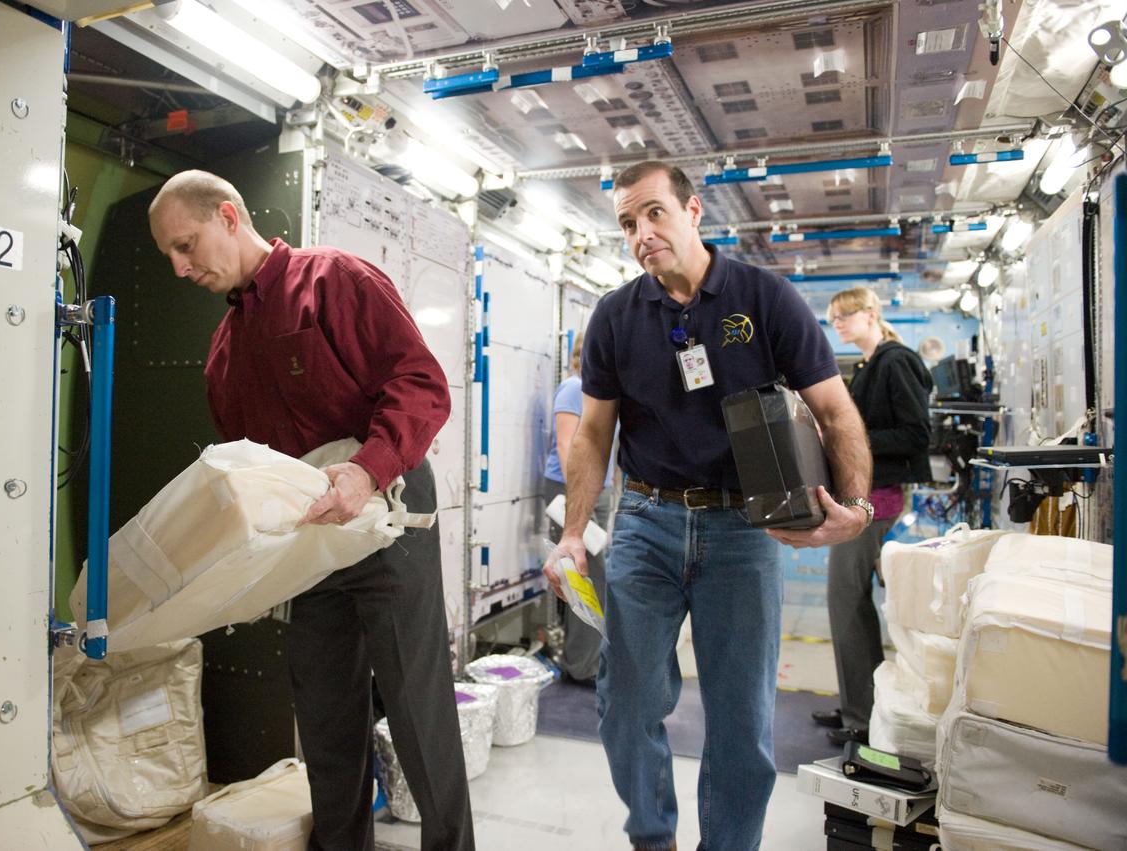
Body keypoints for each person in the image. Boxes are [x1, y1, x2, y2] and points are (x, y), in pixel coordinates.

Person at [542, 160, 872, 851]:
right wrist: (575, 533)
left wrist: (855, 505)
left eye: (654, 212)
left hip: (745, 531)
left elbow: (835, 411)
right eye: (628, 223)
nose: (641, 233)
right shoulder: (615, 316)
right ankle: (653, 837)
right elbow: (594, 432)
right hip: (644, 522)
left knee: (742, 719)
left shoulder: (764, 298)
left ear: (695, 212)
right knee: (625, 700)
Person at [148, 170, 474, 851]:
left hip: (386, 512)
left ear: (230, 217)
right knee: (326, 714)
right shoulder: (222, 356)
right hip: (309, 540)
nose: (180, 267)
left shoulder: (335, 281)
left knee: (417, 706)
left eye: (187, 244)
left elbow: (421, 383)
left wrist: (366, 468)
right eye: (169, 256)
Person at [812, 286, 932, 746]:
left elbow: (915, 433)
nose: (838, 324)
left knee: (846, 602)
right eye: (834, 318)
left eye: (845, 316)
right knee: (853, 605)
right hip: (865, 497)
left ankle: (861, 718)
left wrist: (848, 442)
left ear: (871, 314)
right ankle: (856, 706)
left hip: (875, 501)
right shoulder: (868, 365)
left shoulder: (894, 362)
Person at [542, 329, 614, 683]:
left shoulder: (602, 391)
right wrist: (580, 502)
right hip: (572, 492)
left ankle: (587, 660)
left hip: (598, 490)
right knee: (585, 577)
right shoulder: (574, 388)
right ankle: (582, 666)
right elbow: (566, 447)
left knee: (594, 576)